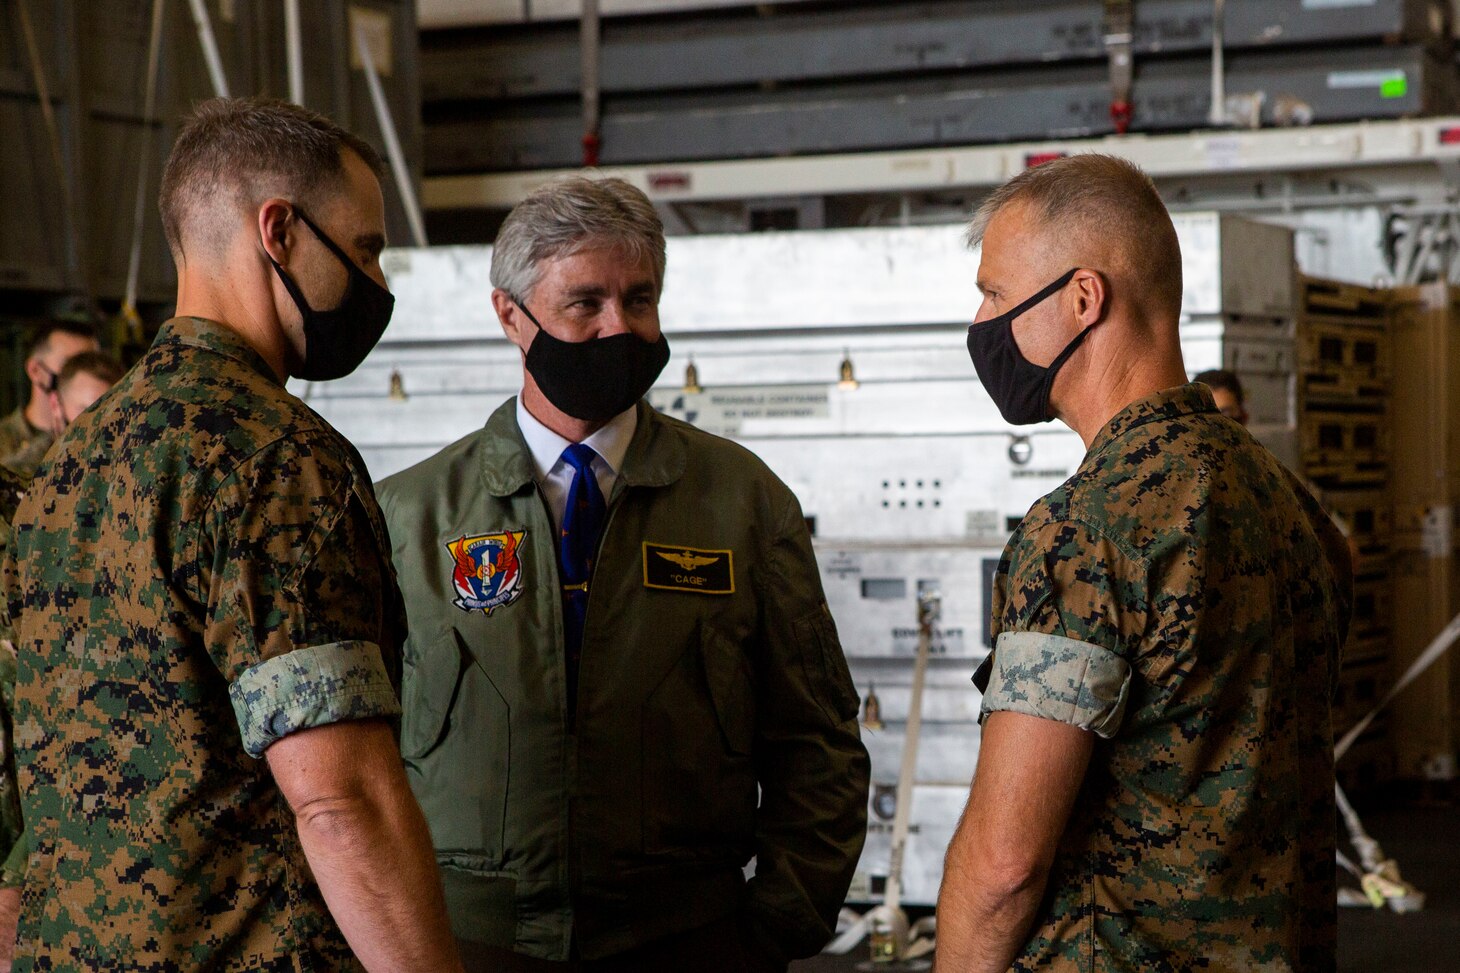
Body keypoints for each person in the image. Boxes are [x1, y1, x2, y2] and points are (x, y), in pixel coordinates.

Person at [2, 97, 463, 971]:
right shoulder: (275, 458)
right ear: (278, 231)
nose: (376, 282)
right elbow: (340, 800)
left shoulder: (67, 465)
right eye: (364, 248)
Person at [376, 176, 869, 972]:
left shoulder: (743, 504)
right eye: (586, 303)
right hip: (467, 946)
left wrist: (773, 929)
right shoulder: (409, 516)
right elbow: (350, 766)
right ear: (511, 315)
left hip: (685, 940)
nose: (620, 327)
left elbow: (819, 745)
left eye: (639, 300)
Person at [936, 155, 1353, 972]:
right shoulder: (1289, 501)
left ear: (1083, 299)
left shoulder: (1085, 528)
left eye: (994, 294)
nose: (982, 321)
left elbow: (1004, 866)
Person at [1, 351, 124, 477]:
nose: (101, 423)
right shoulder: (19, 475)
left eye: (111, 412)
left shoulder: (130, 468)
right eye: (88, 411)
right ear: (56, 405)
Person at [0, 322, 99, 472]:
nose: (84, 378)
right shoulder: (5, 444)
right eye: (71, 366)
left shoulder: (101, 440)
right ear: (35, 371)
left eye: (92, 366)